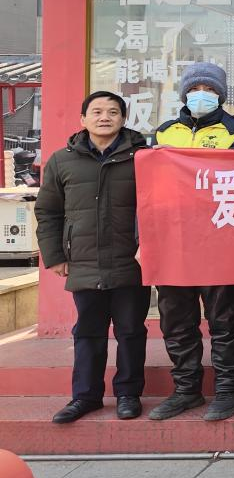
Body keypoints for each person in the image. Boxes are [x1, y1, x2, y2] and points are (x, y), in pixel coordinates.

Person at [149, 63, 234, 423]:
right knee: (176, 321)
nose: (202, 95)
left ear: (220, 95)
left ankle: (227, 392)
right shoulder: (165, 132)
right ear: (184, 94)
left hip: (218, 239)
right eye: (196, 89)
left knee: (223, 320)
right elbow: (149, 188)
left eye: (210, 90)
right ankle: (186, 390)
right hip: (172, 241)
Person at [36, 91, 149, 424]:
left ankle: (128, 394)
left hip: (132, 261)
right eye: (97, 111)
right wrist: (55, 256)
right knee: (87, 332)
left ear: (123, 119)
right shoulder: (61, 160)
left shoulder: (143, 158)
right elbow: (48, 211)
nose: (104, 117)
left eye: (113, 112)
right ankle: (85, 397)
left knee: (131, 331)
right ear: (83, 119)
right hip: (84, 262)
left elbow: (159, 208)